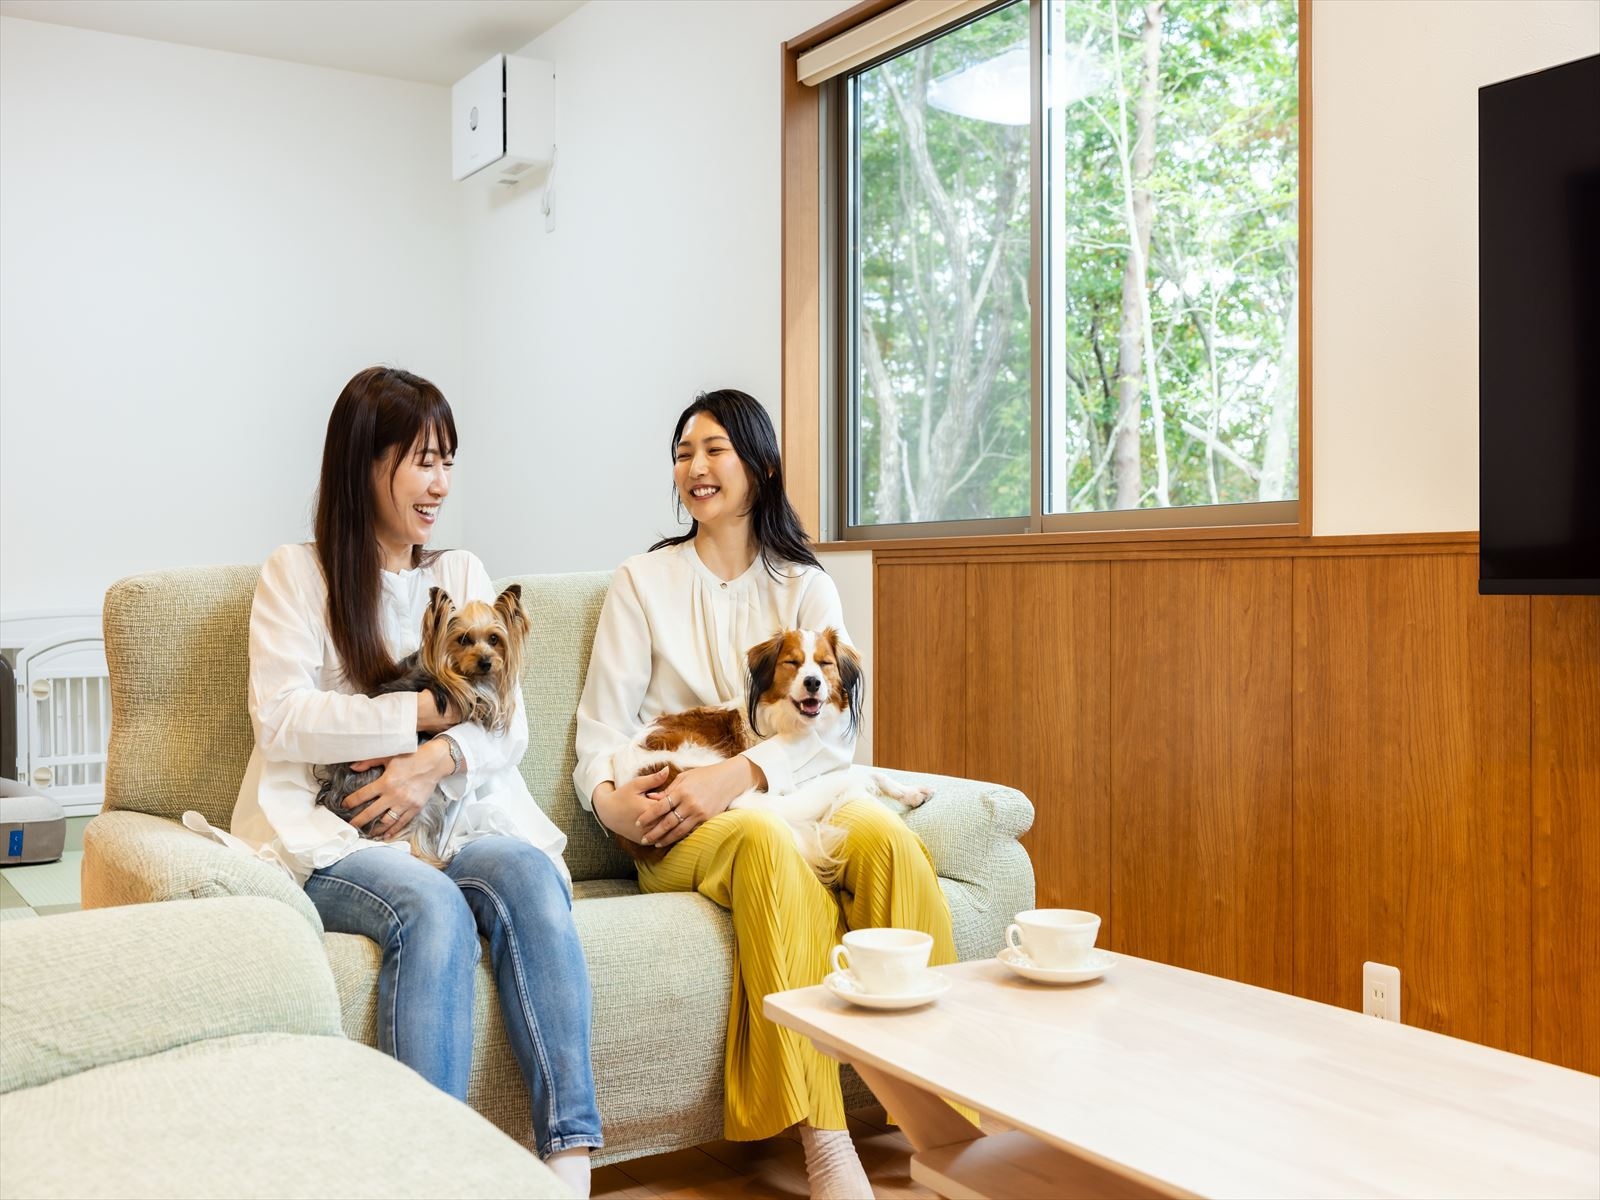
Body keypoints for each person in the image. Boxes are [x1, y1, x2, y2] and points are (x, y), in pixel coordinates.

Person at [574, 388, 957, 1200]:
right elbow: (597, 736)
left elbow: (835, 731)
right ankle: (826, 1140)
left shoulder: (806, 586)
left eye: (715, 449)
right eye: (684, 452)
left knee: (888, 840)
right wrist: (613, 807)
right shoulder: (641, 582)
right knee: (764, 842)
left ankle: (946, 1111)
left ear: (762, 465)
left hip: (796, 791)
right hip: (678, 819)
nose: (696, 467)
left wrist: (740, 773)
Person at [230, 366, 601, 1197]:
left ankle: (568, 1163)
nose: (440, 483)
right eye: (422, 460)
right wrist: (423, 722)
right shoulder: (295, 574)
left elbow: (513, 720)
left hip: (454, 816)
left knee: (534, 880)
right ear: (366, 464)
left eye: (448, 461)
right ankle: (428, 1174)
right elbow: (282, 718)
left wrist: (433, 763)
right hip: (328, 829)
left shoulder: (463, 569)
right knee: (430, 906)